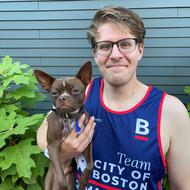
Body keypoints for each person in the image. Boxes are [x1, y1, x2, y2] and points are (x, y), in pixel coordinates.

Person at [37, 6, 190, 189]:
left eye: (125, 44)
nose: (115, 55)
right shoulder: (82, 93)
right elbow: (44, 129)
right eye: (105, 46)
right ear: (95, 54)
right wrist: (61, 154)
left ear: (140, 49)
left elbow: (182, 186)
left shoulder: (170, 111)